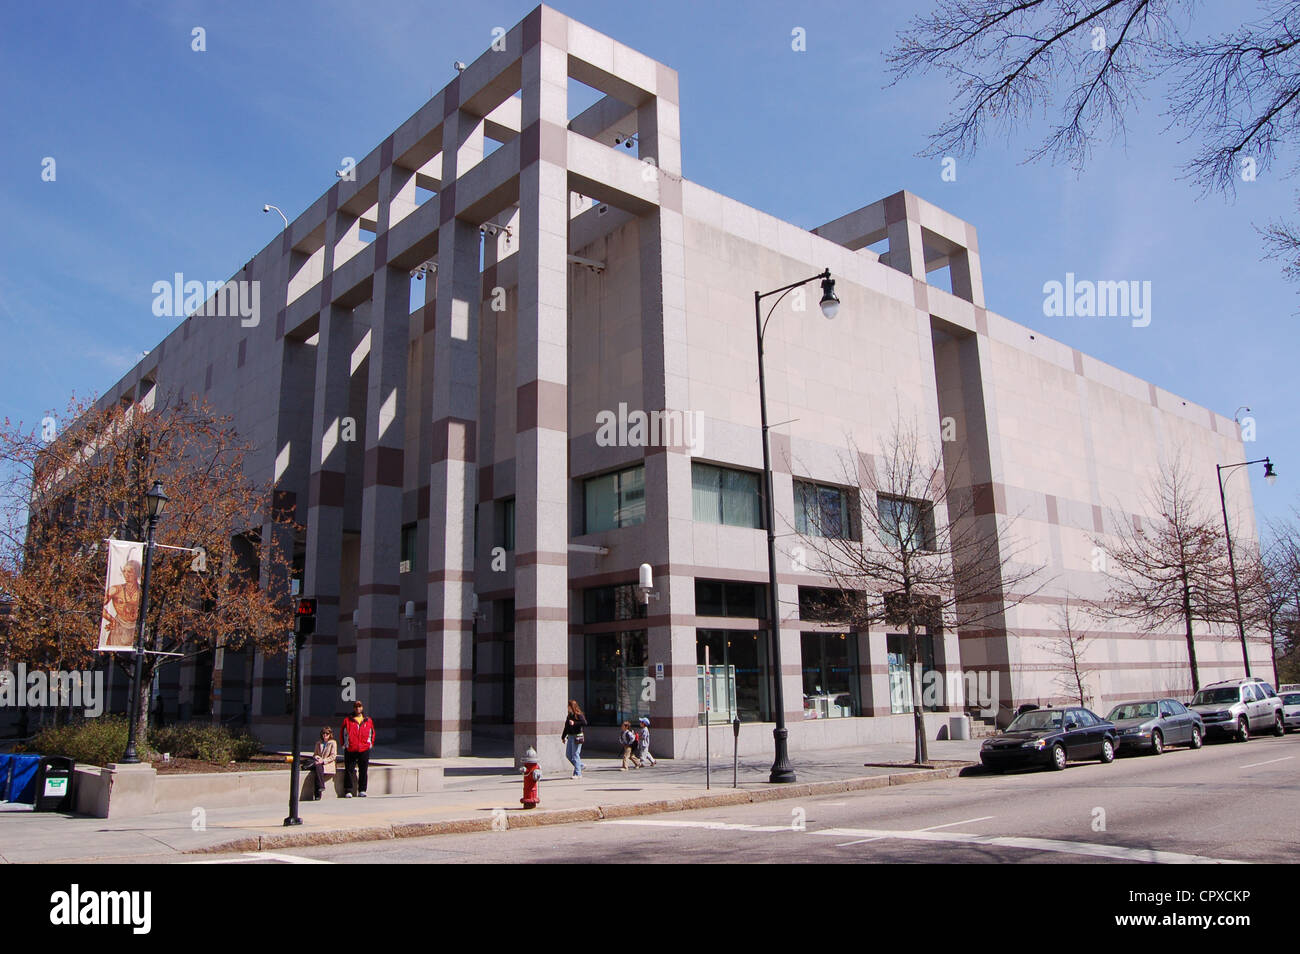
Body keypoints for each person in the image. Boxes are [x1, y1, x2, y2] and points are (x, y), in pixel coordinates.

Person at [339, 701, 375, 798]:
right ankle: (348, 790)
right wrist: (344, 744)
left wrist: (370, 744)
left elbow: (372, 732)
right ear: (354, 708)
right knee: (349, 770)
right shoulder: (347, 720)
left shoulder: (368, 720)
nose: (358, 708)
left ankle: (362, 790)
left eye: (359, 706)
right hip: (351, 748)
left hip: (364, 748)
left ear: (362, 708)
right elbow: (342, 732)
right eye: (356, 707)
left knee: (363, 770)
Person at [561, 700, 587, 778]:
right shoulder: (569, 716)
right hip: (570, 736)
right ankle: (580, 765)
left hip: (577, 736)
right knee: (568, 755)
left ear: (572, 706)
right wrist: (563, 736)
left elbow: (584, 723)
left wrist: (574, 723)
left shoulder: (578, 715)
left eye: (568, 706)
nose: (567, 708)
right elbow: (566, 727)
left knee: (575, 755)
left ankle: (578, 773)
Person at [311, 726, 337, 800]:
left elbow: (333, 756)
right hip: (319, 762)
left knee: (318, 771)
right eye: (323, 733)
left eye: (327, 733)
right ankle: (321, 788)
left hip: (328, 763)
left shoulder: (333, 743)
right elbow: (315, 754)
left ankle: (317, 794)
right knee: (318, 768)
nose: (325, 735)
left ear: (330, 734)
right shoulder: (318, 743)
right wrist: (317, 757)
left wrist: (323, 760)